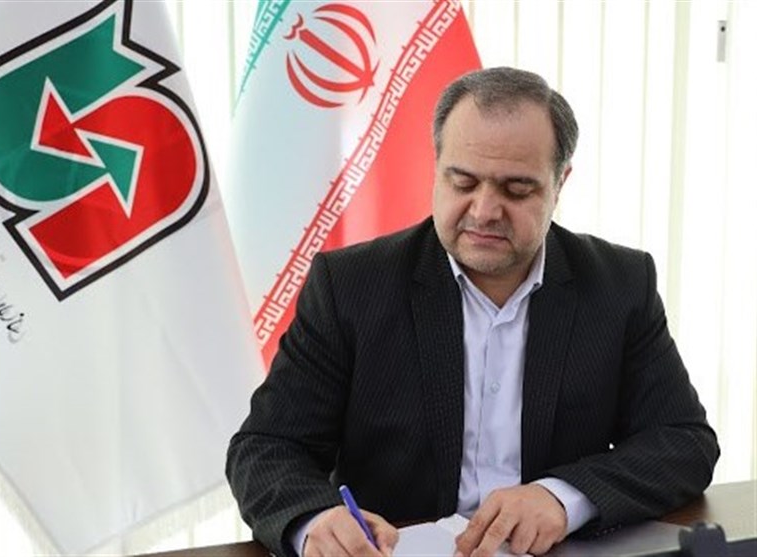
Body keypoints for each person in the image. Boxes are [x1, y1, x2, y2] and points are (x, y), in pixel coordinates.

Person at [226, 66, 719, 557]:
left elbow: (683, 441)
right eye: (463, 182)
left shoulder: (619, 285)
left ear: (559, 183)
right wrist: (315, 521)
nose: (483, 211)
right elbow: (267, 448)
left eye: (517, 189)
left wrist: (563, 497)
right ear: (437, 166)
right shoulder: (351, 286)